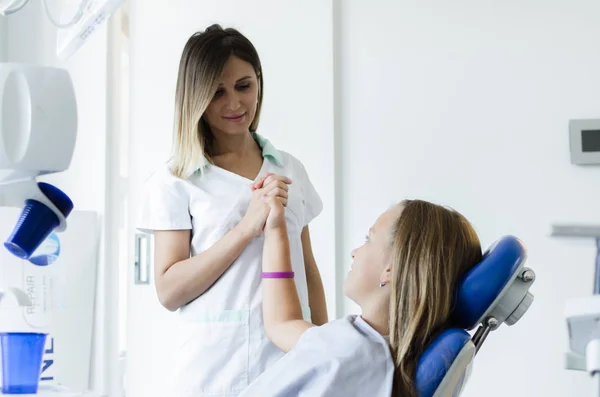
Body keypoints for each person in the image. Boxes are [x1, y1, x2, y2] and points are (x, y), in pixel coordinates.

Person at [136, 24, 328, 397]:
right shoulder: (177, 180)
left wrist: (325, 348)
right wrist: (245, 229)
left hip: (292, 365)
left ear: (258, 81)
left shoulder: (289, 169)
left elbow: (308, 269)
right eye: (216, 92)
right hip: (215, 373)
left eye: (244, 86)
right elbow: (169, 290)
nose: (234, 104)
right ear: (195, 97)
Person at [238, 195, 483, 397]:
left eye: (369, 239)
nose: (355, 252)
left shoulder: (347, 355)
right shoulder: (368, 350)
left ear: (391, 268)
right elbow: (282, 324)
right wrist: (276, 231)